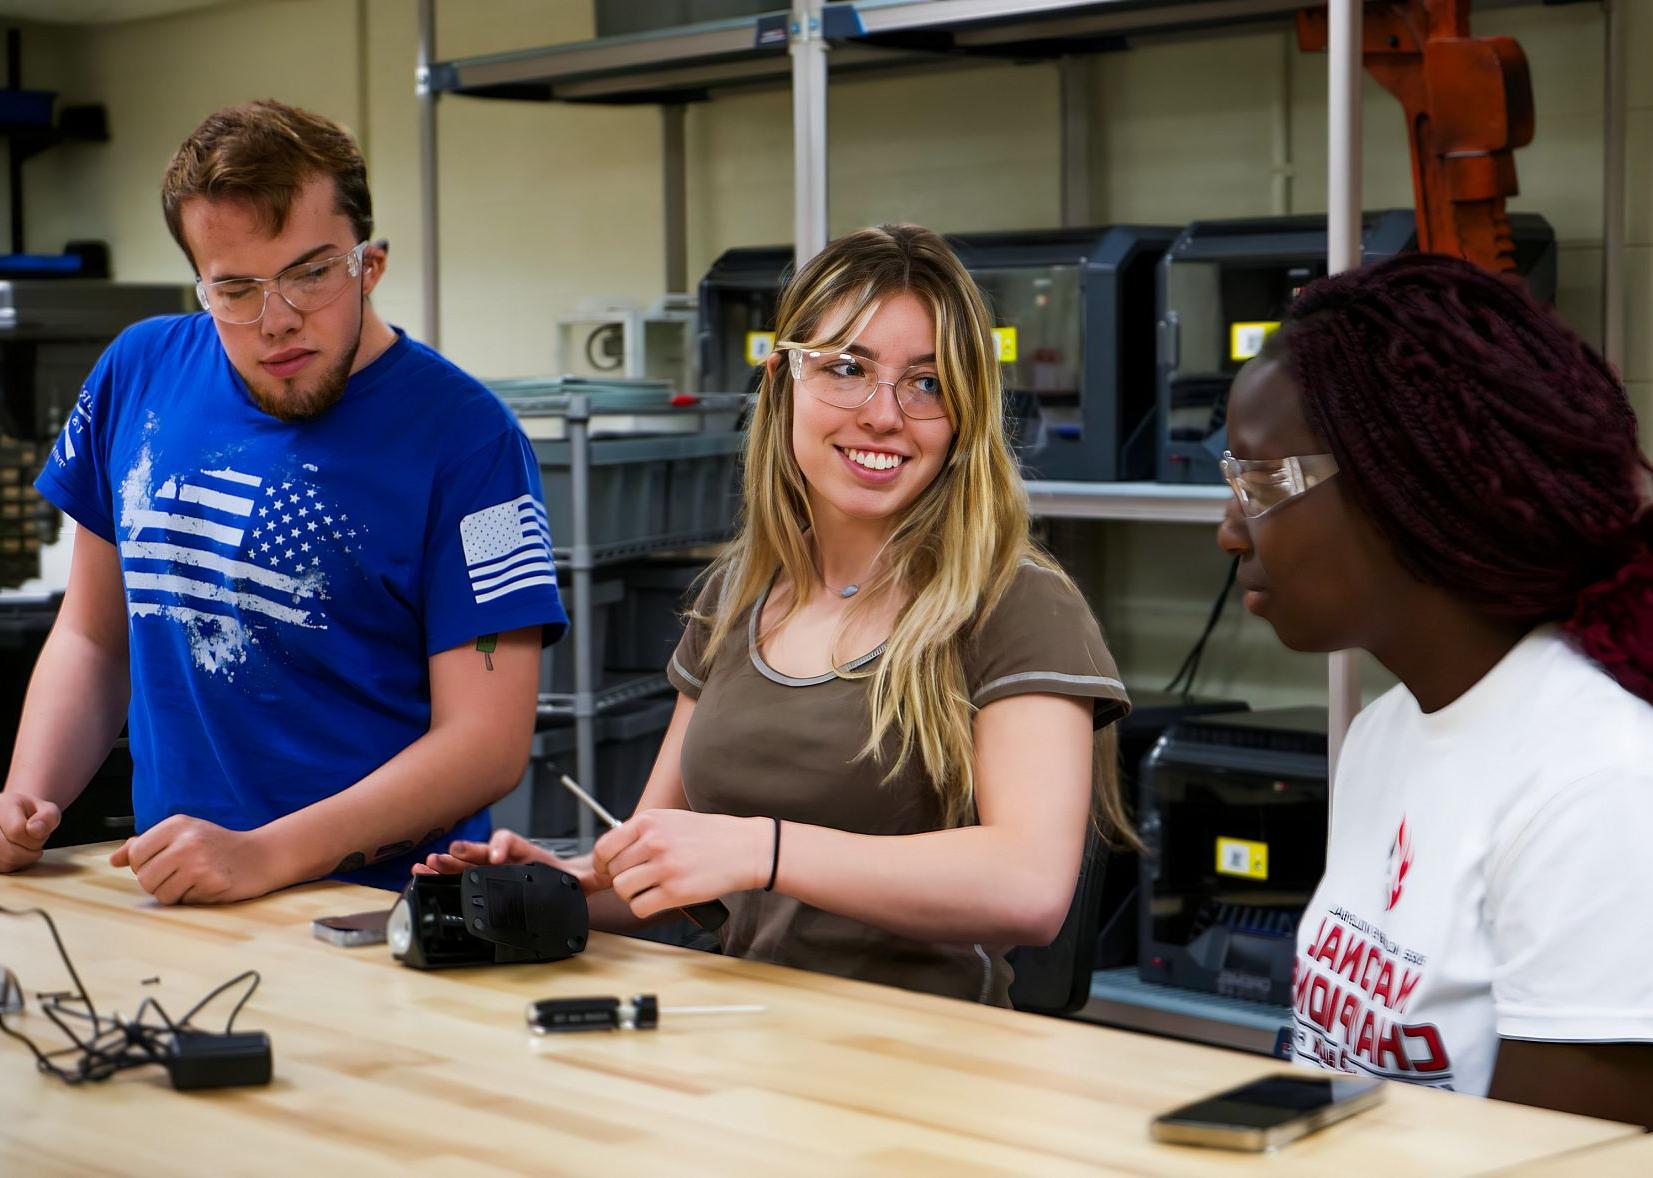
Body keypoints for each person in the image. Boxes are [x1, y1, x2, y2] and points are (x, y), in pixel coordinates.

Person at [419, 224, 1133, 1005]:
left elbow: (1027, 887)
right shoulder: (737, 597)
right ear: (783, 377)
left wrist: (763, 849)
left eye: (925, 383)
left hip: (926, 1056)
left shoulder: (1016, 600)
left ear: (964, 413)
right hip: (745, 1037)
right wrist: (569, 884)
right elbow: (669, 870)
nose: (884, 414)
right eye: (846, 369)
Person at [1214, 252, 1653, 1127]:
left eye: (1264, 480)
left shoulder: (1610, 791)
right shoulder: (1385, 731)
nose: (1229, 531)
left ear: (1407, 486)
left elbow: (1552, 1163)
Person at [0, 99, 566, 901]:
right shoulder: (139, 371)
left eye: (310, 273)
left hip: (377, 911)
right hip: (178, 889)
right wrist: (28, 797)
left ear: (368, 264)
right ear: (199, 282)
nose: (278, 322)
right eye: (234, 289)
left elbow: (484, 743)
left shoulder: (472, 442)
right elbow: (95, 639)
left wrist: (266, 854)